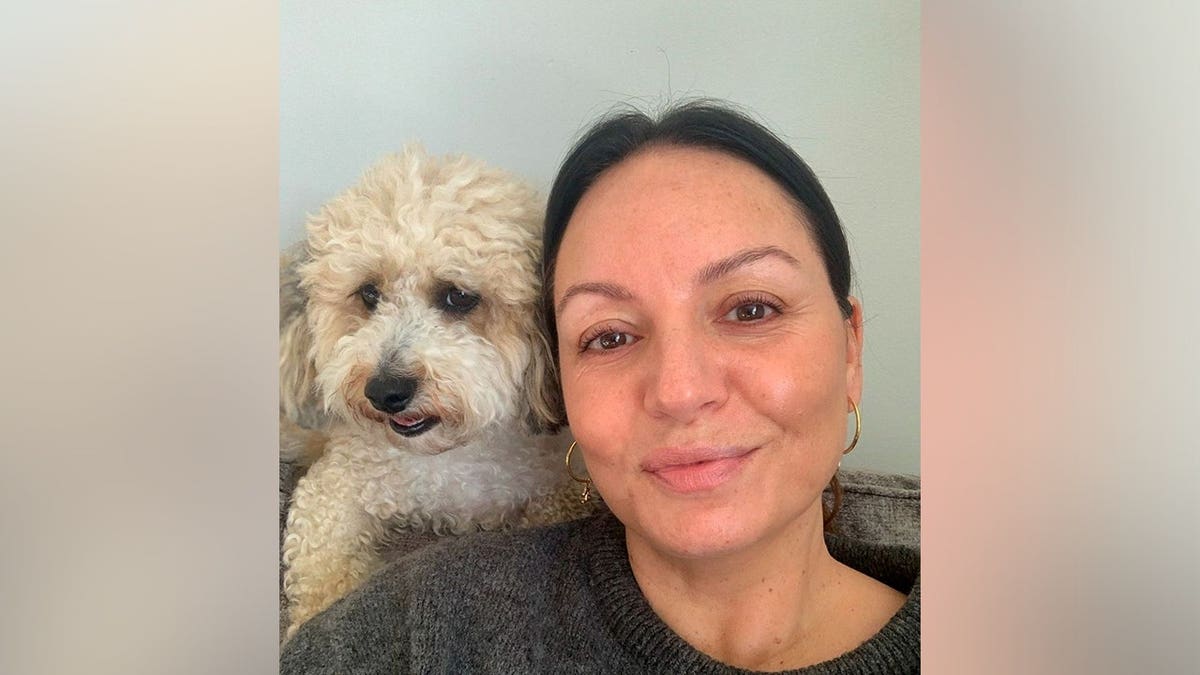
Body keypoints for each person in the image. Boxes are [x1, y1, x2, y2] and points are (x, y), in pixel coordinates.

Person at [281, 101, 919, 674]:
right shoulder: (401, 631)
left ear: (851, 349)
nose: (680, 391)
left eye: (751, 309)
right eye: (609, 335)